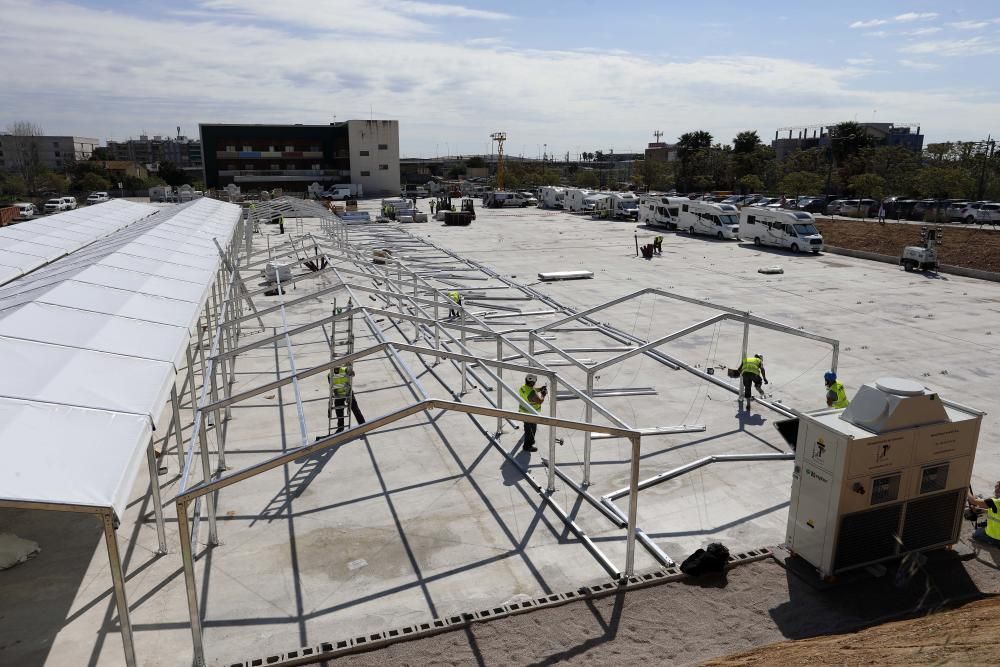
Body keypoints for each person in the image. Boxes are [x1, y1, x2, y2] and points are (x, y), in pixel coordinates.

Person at [329, 366, 365, 432]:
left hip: (348, 392)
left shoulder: (344, 370)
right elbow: (332, 386)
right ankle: (340, 427)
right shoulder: (330, 375)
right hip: (339, 395)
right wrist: (336, 394)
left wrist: (350, 371)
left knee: (354, 408)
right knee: (339, 410)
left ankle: (362, 424)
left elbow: (352, 373)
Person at [518, 374, 547, 452]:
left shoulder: (523, 387)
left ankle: (530, 441)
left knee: (527, 428)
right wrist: (543, 394)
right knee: (531, 430)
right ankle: (527, 446)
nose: (535, 383)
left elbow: (532, 389)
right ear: (531, 383)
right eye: (534, 382)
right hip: (530, 414)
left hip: (523, 412)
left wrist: (540, 389)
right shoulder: (531, 393)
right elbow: (539, 401)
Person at [968, 482, 1000, 548]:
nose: (995, 488)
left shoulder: (995, 501)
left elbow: (973, 501)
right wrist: (981, 510)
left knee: (975, 534)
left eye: (996, 486)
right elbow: (997, 512)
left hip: (996, 536)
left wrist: (966, 489)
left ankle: (993, 542)